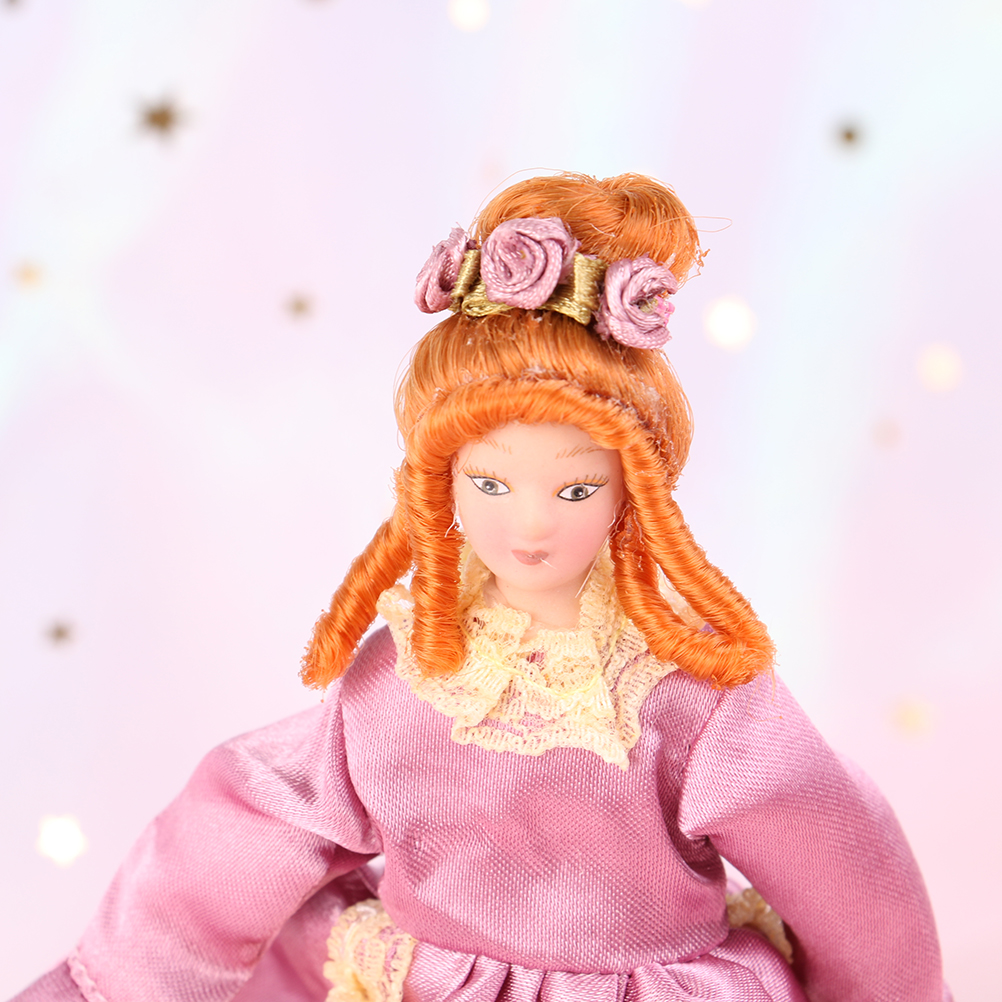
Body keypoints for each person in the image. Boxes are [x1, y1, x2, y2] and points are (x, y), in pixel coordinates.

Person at [12, 173, 950, 1002]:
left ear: (634, 492)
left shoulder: (685, 689)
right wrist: (130, 978)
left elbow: (841, 859)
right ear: (440, 482)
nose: (530, 526)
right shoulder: (404, 674)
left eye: (575, 490)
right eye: (490, 483)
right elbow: (255, 816)